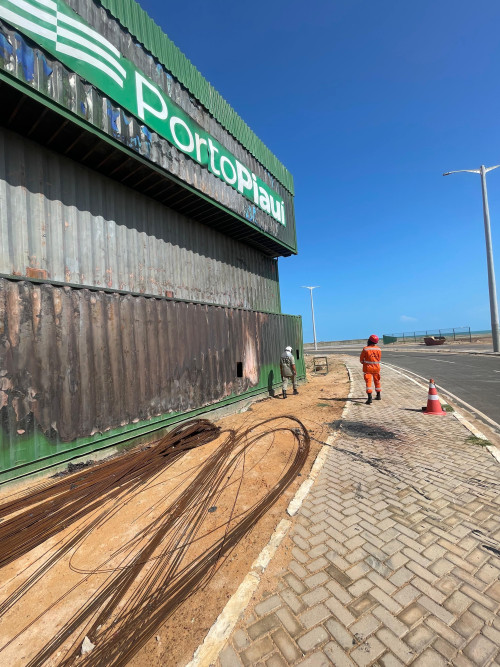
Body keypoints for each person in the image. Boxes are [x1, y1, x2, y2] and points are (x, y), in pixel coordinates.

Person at [360, 334, 381, 404]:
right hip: (376, 368)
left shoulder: (365, 349)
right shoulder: (378, 349)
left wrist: (364, 362)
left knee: (368, 382)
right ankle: (378, 395)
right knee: (377, 381)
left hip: (368, 368)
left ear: (369, 340)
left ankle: (369, 398)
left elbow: (361, 359)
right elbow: (379, 359)